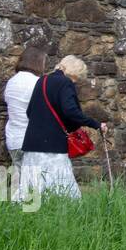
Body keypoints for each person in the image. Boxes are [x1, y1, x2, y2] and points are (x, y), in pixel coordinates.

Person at [15, 55, 108, 201]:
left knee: (32, 190)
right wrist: (96, 124)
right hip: (53, 147)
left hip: (32, 144)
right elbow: (71, 112)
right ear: (74, 73)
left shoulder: (42, 80)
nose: (76, 82)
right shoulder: (65, 82)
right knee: (62, 191)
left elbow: (29, 112)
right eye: (77, 78)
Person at [3, 46, 47, 167]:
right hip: (32, 140)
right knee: (35, 182)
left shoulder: (11, 82)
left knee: (21, 181)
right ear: (38, 63)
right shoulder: (38, 83)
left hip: (13, 138)